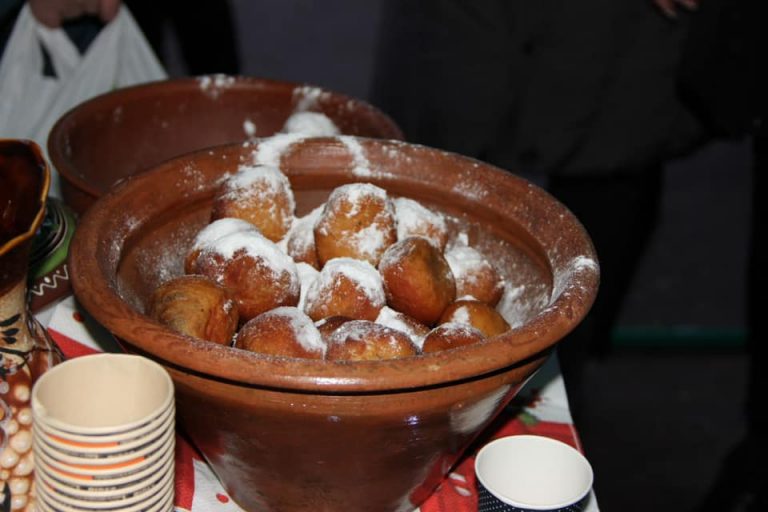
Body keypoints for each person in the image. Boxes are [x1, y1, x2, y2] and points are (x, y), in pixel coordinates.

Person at [370, 0, 705, 422]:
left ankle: (565, 381)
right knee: (437, 159)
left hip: (615, 37)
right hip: (468, 27)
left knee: (604, 180)